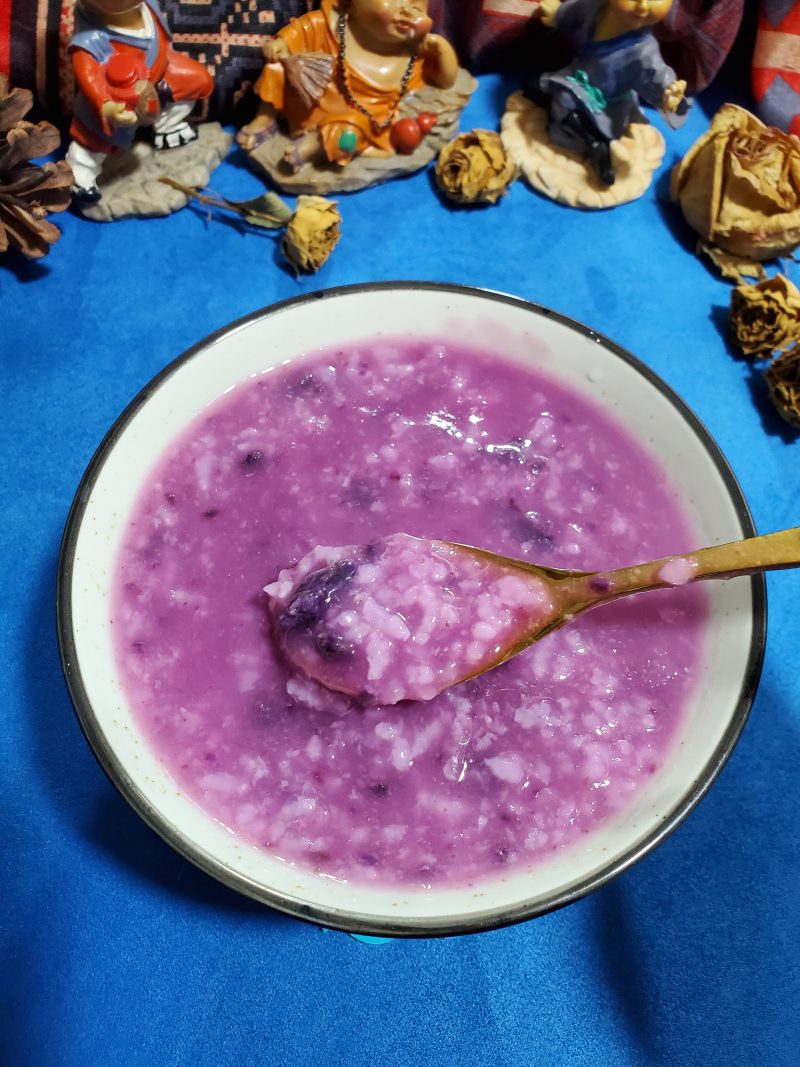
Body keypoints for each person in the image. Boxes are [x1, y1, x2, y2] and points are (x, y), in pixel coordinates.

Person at [237, 0, 458, 170]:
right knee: (277, 66)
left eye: (415, 2)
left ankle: (317, 147)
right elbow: (299, 31)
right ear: (351, 4)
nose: (407, 9)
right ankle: (266, 117)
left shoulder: (414, 51)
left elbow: (445, 81)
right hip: (307, 96)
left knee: (349, 137)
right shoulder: (325, 26)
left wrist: (442, 48)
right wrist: (280, 44)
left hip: (360, 116)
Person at [66, 0, 214, 203]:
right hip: (116, 96)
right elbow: (88, 75)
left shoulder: (148, 6)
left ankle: (168, 127)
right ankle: (80, 176)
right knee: (94, 136)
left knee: (196, 80)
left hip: (160, 73)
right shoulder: (90, 40)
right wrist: (106, 105)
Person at [533, 0, 687, 185]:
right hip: (576, 75)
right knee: (548, 90)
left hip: (607, 99)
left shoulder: (644, 50)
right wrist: (557, 14)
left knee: (564, 100)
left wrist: (668, 92)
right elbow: (573, 12)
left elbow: (656, 74)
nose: (643, 6)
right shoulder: (595, 6)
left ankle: (595, 143)